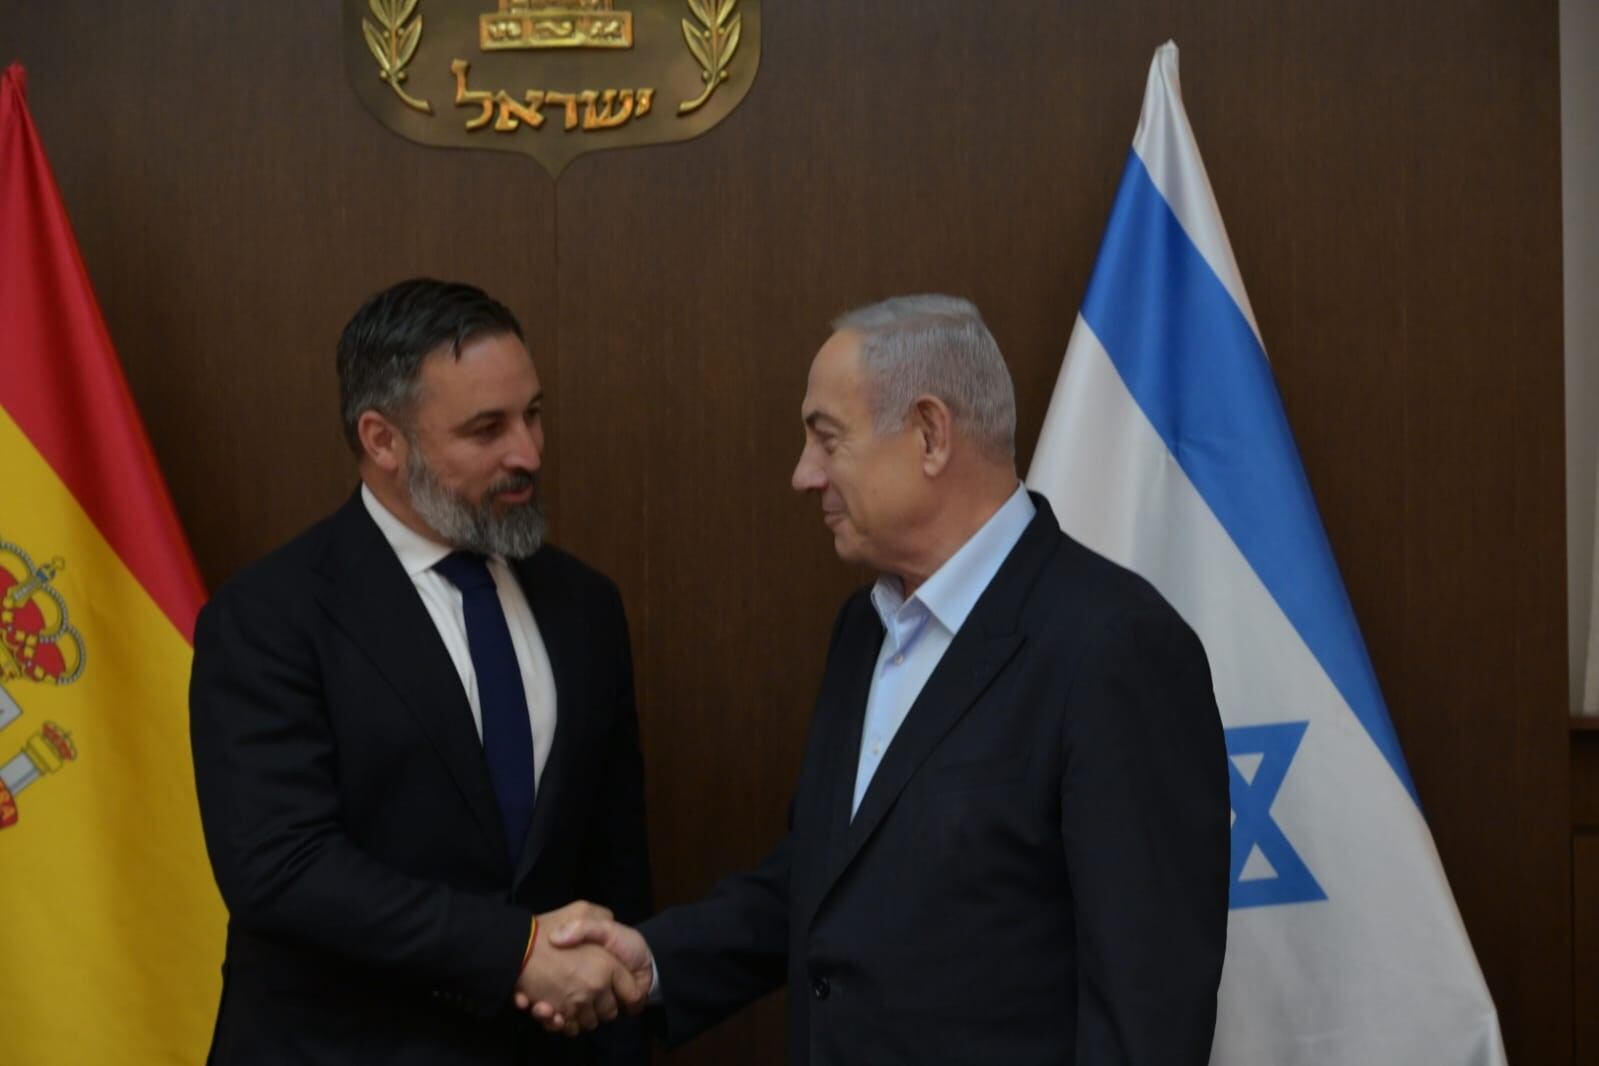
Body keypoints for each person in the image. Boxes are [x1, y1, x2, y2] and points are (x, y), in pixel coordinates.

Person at [540, 295, 1230, 1064]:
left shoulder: (1114, 647)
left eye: (825, 439)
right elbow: (825, 883)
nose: (805, 475)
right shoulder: (863, 629)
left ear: (930, 434)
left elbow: (1146, 1009)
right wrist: (653, 957)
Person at [189, 278, 652, 1066]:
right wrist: (513, 948)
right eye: (486, 429)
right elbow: (282, 869)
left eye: (533, 414)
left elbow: (615, 861)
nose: (528, 454)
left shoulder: (584, 605)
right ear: (382, 440)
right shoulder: (268, 617)